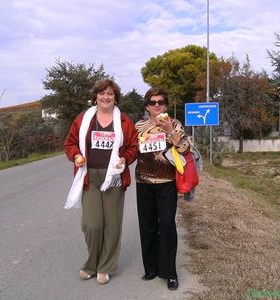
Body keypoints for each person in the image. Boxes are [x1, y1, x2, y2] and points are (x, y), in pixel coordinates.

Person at [64, 79, 138, 285]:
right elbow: (69, 142)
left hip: (113, 178)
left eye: (110, 94)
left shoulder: (124, 121)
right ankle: (91, 263)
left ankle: (105, 267)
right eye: (102, 93)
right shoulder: (83, 119)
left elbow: (134, 146)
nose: (106, 97)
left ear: (116, 98)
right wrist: (76, 155)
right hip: (90, 177)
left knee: (112, 225)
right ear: (95, 96)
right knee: (92, 224)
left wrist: (126, 158)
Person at [135, 87, 190, 291]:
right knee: (147, 226)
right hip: (143, 183)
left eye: (160, 102)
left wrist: (169, 130)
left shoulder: (175, 124)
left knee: (166, 226)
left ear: (166, 105)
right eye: (152, 102)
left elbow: (185, 148)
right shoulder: (139, 126)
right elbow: (132, 150)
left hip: (167, 183)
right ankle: (151, 268)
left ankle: (169, 273)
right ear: (147, 106)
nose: (156, 105)